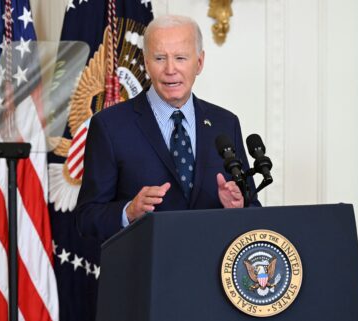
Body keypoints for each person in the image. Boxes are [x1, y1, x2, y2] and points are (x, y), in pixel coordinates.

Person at [75, 15, 260, 241]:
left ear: (199, 63)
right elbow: (86, 218)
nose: (170, 69)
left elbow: (252, 207)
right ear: (145, 62)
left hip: (211, 270)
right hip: (145, 272)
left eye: (181, 58)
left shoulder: (225, 123)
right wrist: (128, 212)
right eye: (160, 58)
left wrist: (238, 207)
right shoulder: (109, 126)